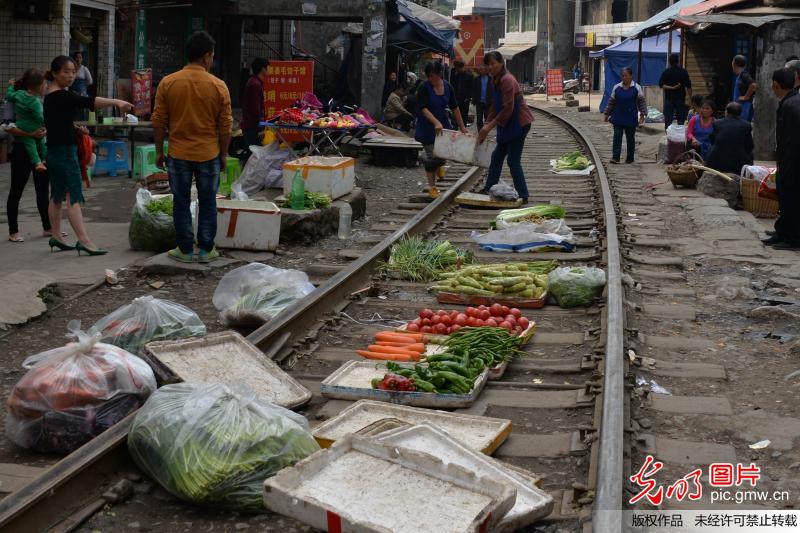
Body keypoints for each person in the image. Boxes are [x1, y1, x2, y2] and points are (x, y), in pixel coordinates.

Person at [152, 31, 233, 263]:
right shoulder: (219, 86)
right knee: (208, 200)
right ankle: (207, 249)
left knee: (180, 200)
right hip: (209, 153)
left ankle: (185, 249)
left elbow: (159, 121)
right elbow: (225, 125)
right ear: (206, 57)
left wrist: (159, 151)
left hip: (178, 153)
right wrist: (224, 154)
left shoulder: (168, 83)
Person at [44, 55, 132, 255]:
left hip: (54, 151)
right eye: (66, 72)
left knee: (57, 194)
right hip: (65, 153)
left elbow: (57, 124)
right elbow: (89, 101)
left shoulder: (51, 95)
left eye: (73, 71)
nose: (71, 75)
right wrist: (117, 102)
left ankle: (56, 236)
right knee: (73, 194)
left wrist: (75, 129)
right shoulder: (62, 96)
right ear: (55, 73)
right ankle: (84, 240)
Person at [477, 51, 535, 202]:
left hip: (519, 123)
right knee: (496, 157)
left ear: (501, 63)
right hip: (508, 124)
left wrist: (489, 127)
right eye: (488, 64)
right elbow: (495, 107)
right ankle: (489, 187)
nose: (490, 67)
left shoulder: (507, 80)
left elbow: (508, 108)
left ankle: (523, 194)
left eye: (493, 63)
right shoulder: (495, 80)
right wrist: (486, 123)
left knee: (513, 160)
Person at [3, 81, 51, 243]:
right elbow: (7, 127)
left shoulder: (39, 100)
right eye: (42, 84)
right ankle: (13, 231)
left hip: (40, 148)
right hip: (21, 150)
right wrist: (31, 134)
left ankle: (48, 227)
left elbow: (45, 122)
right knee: (16, 190)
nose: (45, 87)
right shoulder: (11, 101)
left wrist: (45, 131)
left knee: (43, 190)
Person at [414, 61, 468, 199]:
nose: (431, 79)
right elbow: (423, 108)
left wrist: (462, 127)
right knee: (432, 157)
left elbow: (455, 107)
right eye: (429, 76)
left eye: (433, 76)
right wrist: (435, 122)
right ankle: (432, 187)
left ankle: (440, 167)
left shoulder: (448, 87)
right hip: (427, 127)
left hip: (443, 127)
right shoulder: (424, 87)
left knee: (444, 155)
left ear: (439, 74)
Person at [763, 68, 800, 249]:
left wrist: (788, 166)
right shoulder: (790, 102)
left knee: (791, 199)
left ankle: (793, 239)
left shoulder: (791, 105)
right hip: (787, 160)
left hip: (792, 161)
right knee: (784, 198)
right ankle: (782, 232)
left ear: (775, 85)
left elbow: (793, 141)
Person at [6, 69, 47, 173]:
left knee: (30, 144)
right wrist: (45, 124)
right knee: (42, 142)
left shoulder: (19, 94)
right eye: (45, 83)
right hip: (33, 127)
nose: (46, 86)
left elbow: (9, 95)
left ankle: (38, 163)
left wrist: (11, 86)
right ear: (40, 86)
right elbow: (40, 117)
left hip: (21, 125)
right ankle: (44, 160)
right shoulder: (35, 101)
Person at [604, 67, 647, 164]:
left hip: (631, 117)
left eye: (626, 76)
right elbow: (611, 102)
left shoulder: (637, 87)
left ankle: (630, 158)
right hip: (618, 116)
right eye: (622, 76)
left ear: (631, 76)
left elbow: (642, 102)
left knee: (630, 138)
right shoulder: (617, 87)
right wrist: (607, 113)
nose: (624, 78)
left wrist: (642, 115)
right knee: (617, 137)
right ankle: (615, 157)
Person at [705, 102, 753, 174]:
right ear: (740, 113)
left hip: (716, 163)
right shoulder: (746, 125)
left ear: (726, 112)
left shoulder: (717, 123)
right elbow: (750, 146)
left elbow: (712, 140)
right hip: (738, 164)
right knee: (750, 153)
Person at [240, 57, 268, 160]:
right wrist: (260, 129)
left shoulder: (254, 82)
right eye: (267, 68)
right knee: (253, 158)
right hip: (252, 128)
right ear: (263, 69)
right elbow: (256, 110)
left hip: (251, 126)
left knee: (251, 157)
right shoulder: (255, 85)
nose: (268, 70)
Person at [659, 53, 692, 130]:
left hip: (669, 98)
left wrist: (671, 88)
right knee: (680, 119)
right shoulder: (683, 72)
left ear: (670, 62)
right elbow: (688, 86)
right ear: (678, 61)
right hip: (680, 98)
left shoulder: (666, 72)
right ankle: (679, 136)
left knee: (668, 119)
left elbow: (661, 85)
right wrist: (690, 98)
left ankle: (668, 135)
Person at [732, 55, 757, 122]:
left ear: (733, 64)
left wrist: (746, 96)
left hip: (744, 107)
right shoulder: (740, 76)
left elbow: (753, 85)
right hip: (740, 107)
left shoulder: (744, 74)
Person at [450, 61, 473, 127]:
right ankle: (456, 128)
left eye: (458, 68)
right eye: (456, 68)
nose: (458, 70)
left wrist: (468, 98)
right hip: (456, 98)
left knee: (464, 115)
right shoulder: (455, 75)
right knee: (456, 115)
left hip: (465, 99)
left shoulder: (469, 76)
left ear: (463, 67)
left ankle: (463, 129)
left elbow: (471, 89)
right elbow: (452, 86)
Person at [471, 64, 492, 131]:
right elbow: (474, 89)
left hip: (488, 102)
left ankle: (485, 131)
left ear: (486, 71)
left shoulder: (491, 79)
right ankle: (480, 131)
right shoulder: (477, 79)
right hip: (479, 102)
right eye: (479, 69)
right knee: (479, 119)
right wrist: (474, 99)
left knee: (487, 118)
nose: (480, 71)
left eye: (481, 69)